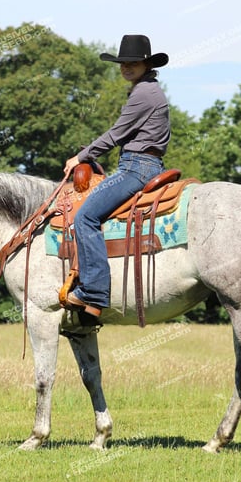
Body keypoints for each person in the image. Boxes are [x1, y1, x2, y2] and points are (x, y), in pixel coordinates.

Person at [62, 34, 171, 318]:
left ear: (146, 63)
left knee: (85, 216)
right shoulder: (146, 89)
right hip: (143, 163)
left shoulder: (144, 93)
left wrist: (81, 156)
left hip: (136, 167)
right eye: (123, 63)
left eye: (133, 62)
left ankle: (94, 293)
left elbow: (116, 134)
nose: (126, 67)